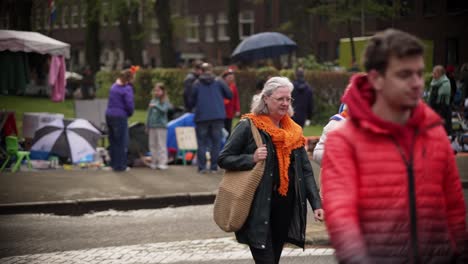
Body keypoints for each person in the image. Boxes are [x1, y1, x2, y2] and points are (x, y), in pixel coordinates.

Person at [321, 29, 468, 263]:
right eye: (404, 74)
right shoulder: (345, 139)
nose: (417, 83)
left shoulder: (434, 132)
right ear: (376, 78)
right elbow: (341, 215)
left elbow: (455, 210)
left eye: (420, 73)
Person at [218, 77, 324, 264]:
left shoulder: (294, 131)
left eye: (288, 99)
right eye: (280, 99)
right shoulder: (249, 125)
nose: (285, 103)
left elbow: (305, 171)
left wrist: (316, 204)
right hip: (258, 208)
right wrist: (251, 158)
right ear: (265, 98)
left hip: (285, 207)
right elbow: (224, 158)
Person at [191, 63, 232, 173]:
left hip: (201, 116)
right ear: (211, 70)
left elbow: (191, 100)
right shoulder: (219, 81)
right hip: (217, 115)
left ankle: (202, 167)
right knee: (216, 142)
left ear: (202, 71)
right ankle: (214, 167)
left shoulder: (197, 83)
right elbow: (229, 94)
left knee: (201, 143)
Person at [105, 69, 135, 172]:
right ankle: (121, 166)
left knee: (113, 140)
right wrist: (130, 113)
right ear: (129, 79)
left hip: (109, 115)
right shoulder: (127, 89)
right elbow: (129, 104)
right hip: (120, 116)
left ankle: (113, 164)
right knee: (121, 142)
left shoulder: (113, 87)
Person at [146, 82, 171, 170]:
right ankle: (154, 161)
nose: (156, 92)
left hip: (161, 126)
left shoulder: (165, 101)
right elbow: (149, 114)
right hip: (152, 125)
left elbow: (164, 110)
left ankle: (162, 162)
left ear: (163, 91)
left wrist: (156, 106)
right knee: (152, 144)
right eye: (155, 90)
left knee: (161, 144)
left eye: (158, 90)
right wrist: (147, 125)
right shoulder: (152, 101)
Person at [429, 65, 452, 135]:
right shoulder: (434, 82)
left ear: (440, 74)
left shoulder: (445, 84)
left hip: (442, 110)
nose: (433, 75)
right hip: (434, 109)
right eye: (433, 73)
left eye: (434, 73)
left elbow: (441, 100)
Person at [222, 68, 240, 135]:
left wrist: (237, 109)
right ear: (225, 78)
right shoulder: (220, 86)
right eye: (229, 77)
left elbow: (236, 98)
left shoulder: (233, 87)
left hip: (229, 112)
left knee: (228, 129)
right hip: (221, 112)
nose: (231, 79)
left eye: (232, 77)